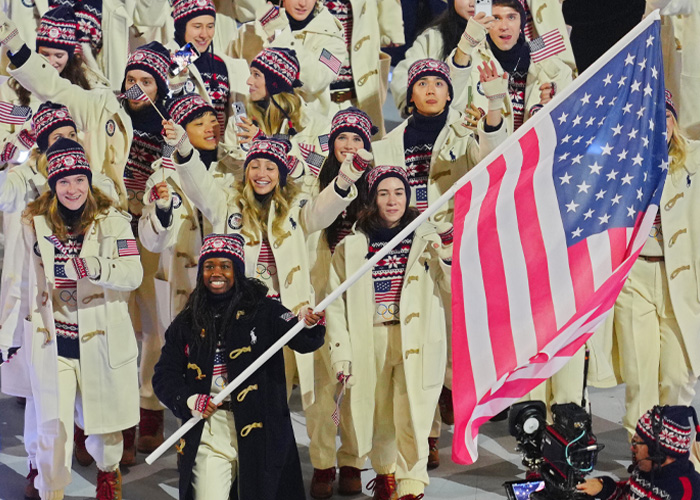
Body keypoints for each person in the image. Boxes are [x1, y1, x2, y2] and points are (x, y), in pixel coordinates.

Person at [166, 130, 367, 411]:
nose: (262, 173)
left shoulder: (295, 208)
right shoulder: (226, 203)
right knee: (245, 394)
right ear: (246, 170)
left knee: (277, 394)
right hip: (240, 316)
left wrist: (345, 181)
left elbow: (322, 211)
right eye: (255, 166)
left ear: (280, 174)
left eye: (270, 167)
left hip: (287, 315)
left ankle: (273, 450)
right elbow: (199, 184)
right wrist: (184, 148)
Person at [0, 102, 118, 499]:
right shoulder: (24, 179)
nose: (65, 144)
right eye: (56, 139)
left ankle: (101, 464)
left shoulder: (90, 182)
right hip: (34, 305)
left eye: (71, 135)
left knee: (90, 397)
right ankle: (39, 466)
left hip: (86, 309)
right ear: (42, 147)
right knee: (40, 397)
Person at [152, 233, 325, 499]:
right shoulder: (187, 321)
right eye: (209, 266)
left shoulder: (265, 310)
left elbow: (301, 338)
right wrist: (189, 399)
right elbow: (165, 375)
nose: (216, 273)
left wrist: (307, 322)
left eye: (225, 266)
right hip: (210, 428)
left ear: (238, 270)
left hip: (261, 427)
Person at [17, 137, 142, 500]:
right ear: (53, 187)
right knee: (53, 429)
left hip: (101, 339)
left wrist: (94, 267)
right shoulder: (34, 223)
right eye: (64, 181)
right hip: (53, 341)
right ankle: (50, 492)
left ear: (89, 181)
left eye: (79, 180)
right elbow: (23, 278)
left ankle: (108, 478)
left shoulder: (115, 222)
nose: (73, 189)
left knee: (104, 430)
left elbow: (133, 273)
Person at [326, 165, 453, 500]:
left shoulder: (426, 238)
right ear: (372, 199)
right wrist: (342, 353)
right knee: (379, 413)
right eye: (383, 193)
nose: (392, 200)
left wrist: (449, 252)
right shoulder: (352, 245)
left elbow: (454, 286)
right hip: (373, 338)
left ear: (408, 197)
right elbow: (335, 304)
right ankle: (385, 476)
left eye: (399, 192)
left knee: (413, 413)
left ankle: (412, 484)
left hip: (416, 339)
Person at [612, 91, 700, 438]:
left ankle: (676, 458)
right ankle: (644, 458)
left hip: (682, 280)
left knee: (679, 377)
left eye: (664, 116)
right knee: (640, 377)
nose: (658, 124)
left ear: (674, 121)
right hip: (635, 278)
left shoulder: (694, 158)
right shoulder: (621, 162)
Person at [304, 107, 376, 498]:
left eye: (357, 140)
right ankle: (322, 463)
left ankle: (352, 459)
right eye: (342, 139)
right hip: (319, 289)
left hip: (360, 291)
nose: (349, 147)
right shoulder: (314, 181)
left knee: (357, 377)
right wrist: (345, 181)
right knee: (321, 384)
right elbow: (312, 221)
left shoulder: (378, 182)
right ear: (331, 144)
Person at [390, 0, 574, 115]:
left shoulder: (514, 36)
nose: (473, 4)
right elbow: (404, 79)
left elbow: (552, 54)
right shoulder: (436, 37)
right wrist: (422, 106)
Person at [456, 0, 573, 134]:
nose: (504, 26)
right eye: (496, 18)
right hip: (486, 152)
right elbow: (451, 102)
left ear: (521, 23)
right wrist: (480, 129)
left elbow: (570, 121)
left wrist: (555, 108)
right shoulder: (470, 61)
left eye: (511, 17)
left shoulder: (555, 70)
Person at [230, 0, 346, 115]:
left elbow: (315, 82)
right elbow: (233, 89)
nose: (303, 3)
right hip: (254, 127)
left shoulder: (333, 38)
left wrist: (279, 34)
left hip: (306, 129)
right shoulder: (247, 33)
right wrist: (239, 124)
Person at [576, 405, 700, 499]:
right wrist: (603, 487)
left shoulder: (684, 493)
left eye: (636, 443)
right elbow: (628, 494)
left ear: (658, 452)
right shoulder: (648, 470)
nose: (631, 448)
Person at [231, 47, 330, 161]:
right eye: (251, 73)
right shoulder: (240, 121)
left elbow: (321, 165)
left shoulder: (320, 126)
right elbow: (231, 168)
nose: (248, 81)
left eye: (256, 75)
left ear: (275, 83)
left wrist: (263, 144)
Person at [168, 0, 250, 137]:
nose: (204, 34)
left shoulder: (226, 64)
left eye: (210, 26)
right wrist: (190, 52)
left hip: (222, 153)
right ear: (182, 27)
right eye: (197, 26)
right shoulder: (170, 58)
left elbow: (240, 112)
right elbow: (171, 71)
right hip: (185, 152)